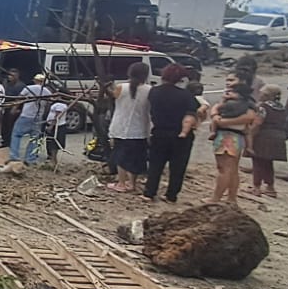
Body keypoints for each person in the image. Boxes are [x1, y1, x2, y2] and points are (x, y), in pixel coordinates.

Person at [144, 64, 199, 203]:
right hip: (181, 136)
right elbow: (194, 113)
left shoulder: (154, 92)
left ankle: (149, 192)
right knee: (178, 167)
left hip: (160, 132)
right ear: (180, 78)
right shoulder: (186, 95)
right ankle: (171, 195)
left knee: (155, 164)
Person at [106, 62, 152, 193]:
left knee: (121, 157)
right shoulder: (149, 90)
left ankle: (121, 183)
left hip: (121, 128)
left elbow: (112, 96)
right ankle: (132, 183)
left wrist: (107, 86)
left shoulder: (121, 87)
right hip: (140, 129)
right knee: (136, 157)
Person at [208, 84, 257, 206]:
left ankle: (216, 198)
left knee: (224, 169)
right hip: (238, 137)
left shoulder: (230, 106)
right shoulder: (248, 107)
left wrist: (217, 117)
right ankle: (231, 198)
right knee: (233, 170)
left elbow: (217, 116)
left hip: (226, 137)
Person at [247, 84, 288, 198]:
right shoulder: (281, 107)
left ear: (267, 95)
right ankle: (270, 187)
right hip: (278, 137)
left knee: (258, 161)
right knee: (268, 163)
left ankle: (256, 187)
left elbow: (257, 124)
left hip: (264, 136)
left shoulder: (263, 107)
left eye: (261, 93)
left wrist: (250, 136)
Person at [10, 73, 54, 164]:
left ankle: (14, 156)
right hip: (38, 118)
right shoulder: (47, 91)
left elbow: (19, 98)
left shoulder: (29, 88)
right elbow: (48, 105)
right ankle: (30, 158)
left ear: (35, 80)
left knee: (16, 135)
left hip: (26, 115)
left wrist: (14, 108)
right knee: (34, 138)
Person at [0, 68, 26, 149]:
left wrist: (17, 108)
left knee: (12, 126)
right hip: (6, 107)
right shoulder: (7, 84)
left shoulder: (21, 85)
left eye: (12, 76)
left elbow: (21, 99)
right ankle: (5, 141)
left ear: (17, 76)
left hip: (15, 108)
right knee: (5, 126)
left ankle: (11, 143)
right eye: (9, 75)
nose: (9, 77)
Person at [45, 99, 71, 166]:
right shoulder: (57, 104)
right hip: (54, 125)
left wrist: (51, 126)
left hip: (57, 126)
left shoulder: (60, 105)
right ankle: (52, 158)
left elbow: (57, 116)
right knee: (50, 143)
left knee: (54, 144)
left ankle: (53, 160)